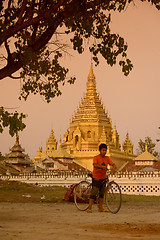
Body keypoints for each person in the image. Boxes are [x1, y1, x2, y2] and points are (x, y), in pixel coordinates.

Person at [87, 143, 116, 213]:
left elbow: (113, 164)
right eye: (103, 150)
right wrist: (102, 167)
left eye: (105, 150)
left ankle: (100, 208)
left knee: (102, 193)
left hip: (103, 177)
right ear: (100, 151)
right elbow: (95, 165)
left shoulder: (107, 158)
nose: (104, 152)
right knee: (94, 192)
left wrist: (113, 168)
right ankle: (89, 208)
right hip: (96, 177)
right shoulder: (96, 157)